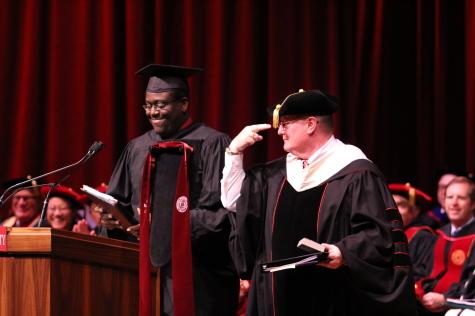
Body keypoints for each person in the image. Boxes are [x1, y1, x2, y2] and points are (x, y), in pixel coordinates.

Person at [221, 89, 418, 315]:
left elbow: (379, 234)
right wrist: (234, 153)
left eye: (285, 123)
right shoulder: (273, 175)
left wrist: (342, 251)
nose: (280, 131)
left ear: (311, 124)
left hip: (333, 295)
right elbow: (235, 203)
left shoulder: (355, 171)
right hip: (277, 298)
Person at [106, 64, 239, 316]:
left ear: (184, 104)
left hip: (197, 272)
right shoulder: (137, 147)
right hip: (143, 270)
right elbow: (119, 200)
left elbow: (221, 212)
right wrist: (112, 219)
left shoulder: (212, 143)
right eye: (148, 105)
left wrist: (166, 226)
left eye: (161, 104)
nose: (153, 112)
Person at [411, 176, 475, 315]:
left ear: (473, 204)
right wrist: (421, 292)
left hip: (460, 308)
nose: (454, 203)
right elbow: (421, 271)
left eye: (461, 198)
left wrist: (445, 299)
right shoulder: (437, 235)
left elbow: (472, 282)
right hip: (425, 305)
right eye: (450, 197)